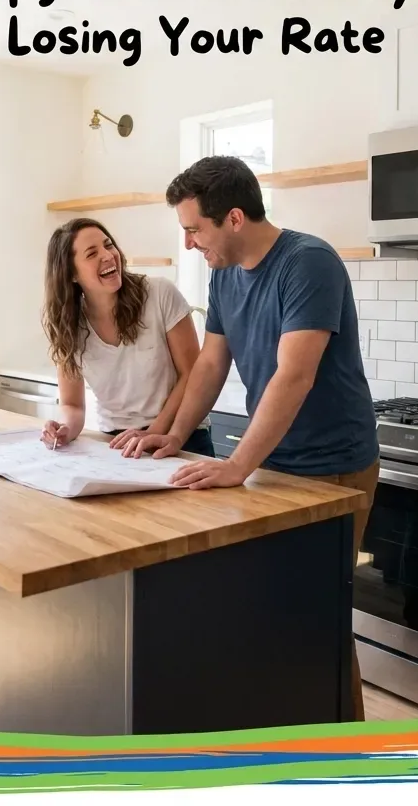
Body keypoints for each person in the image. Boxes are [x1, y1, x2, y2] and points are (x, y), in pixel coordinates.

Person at [120, 156, 379, 722]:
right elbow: (212, 362)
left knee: (317, 617)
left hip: (330, 465)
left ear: (233, 218)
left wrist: (237, 464)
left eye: (194, 228)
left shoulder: (308, 262)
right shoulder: (225, 271)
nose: (189, 243)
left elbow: (295, 374)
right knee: (271, 610)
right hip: (276, 462)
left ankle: (350, 751)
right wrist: (173, 434)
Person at [39, 217, 214, 457]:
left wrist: (154, 432)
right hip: (118, 443)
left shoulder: (159, 293)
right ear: (71, 274)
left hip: (182, 435)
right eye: (92, 254)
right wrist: (65, 429)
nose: (108, 255)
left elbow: (192, 373)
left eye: (108, 245)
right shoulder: (68, 326)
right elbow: (72, 404)